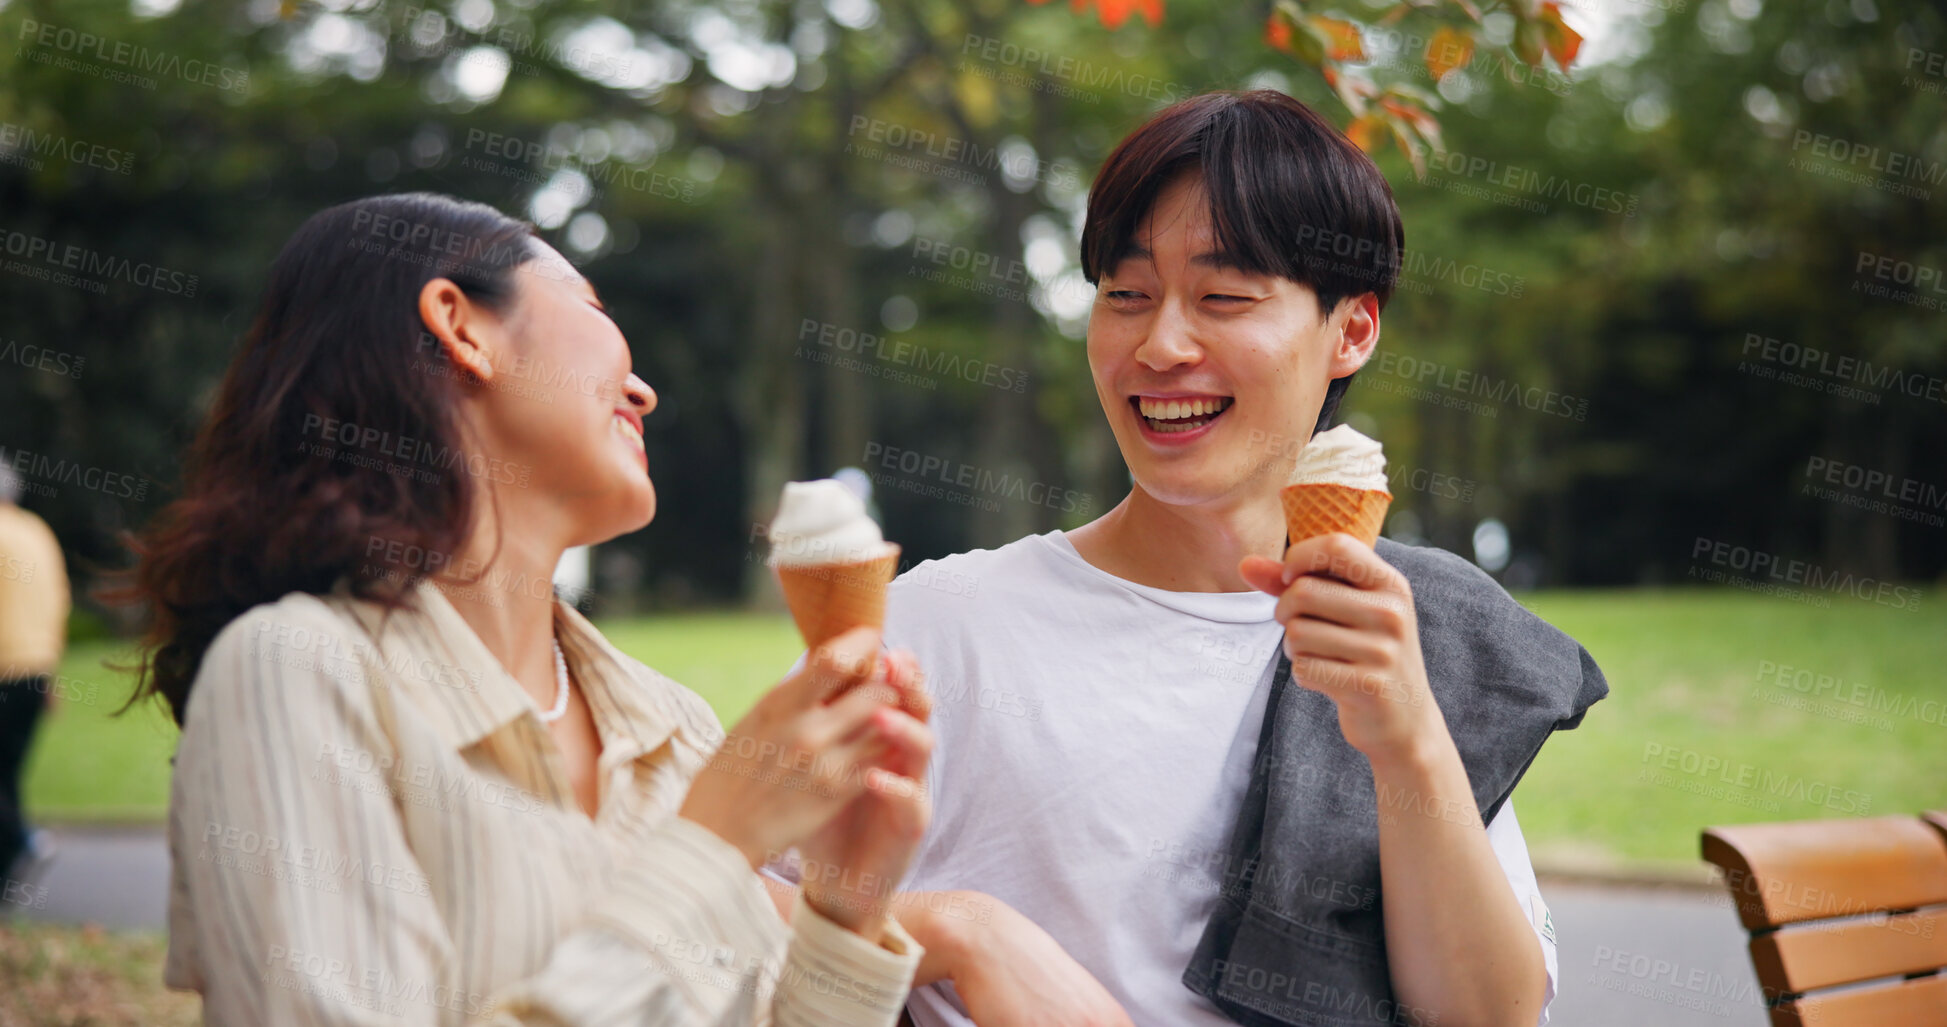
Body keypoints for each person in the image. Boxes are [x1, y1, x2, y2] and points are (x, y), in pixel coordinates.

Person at [117, 193, 939, 1025]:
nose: (645, 392)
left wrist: (845, 902)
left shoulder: (674, 727)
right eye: (590, 304)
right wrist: (714, 848)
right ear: (461, 326)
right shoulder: (296, 671)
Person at [885, 91, 1607, 1026]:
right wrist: (964, 932)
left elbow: (1486, 1015)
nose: (1161, 344)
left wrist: (1406, 739)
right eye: (1126, 295)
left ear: (1350, 330)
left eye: (1224, 298)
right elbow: (725, 913)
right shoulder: (942, 626)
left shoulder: (1408, 622)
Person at [0, 460, 69, 888]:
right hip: (35, 670)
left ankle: (24, 840)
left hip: (4, 669)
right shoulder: (36, 532)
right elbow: (57, 601)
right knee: (8, 772)